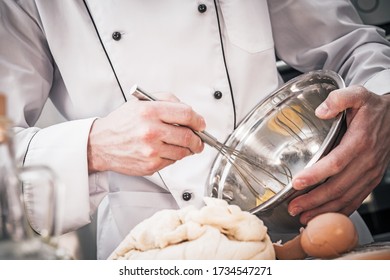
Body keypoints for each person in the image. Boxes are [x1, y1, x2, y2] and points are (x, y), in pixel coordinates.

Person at [1, 0, 389, 259]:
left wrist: (383, 106)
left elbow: (355, 47)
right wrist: (93, 146)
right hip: (153, 250)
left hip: (303, 224)